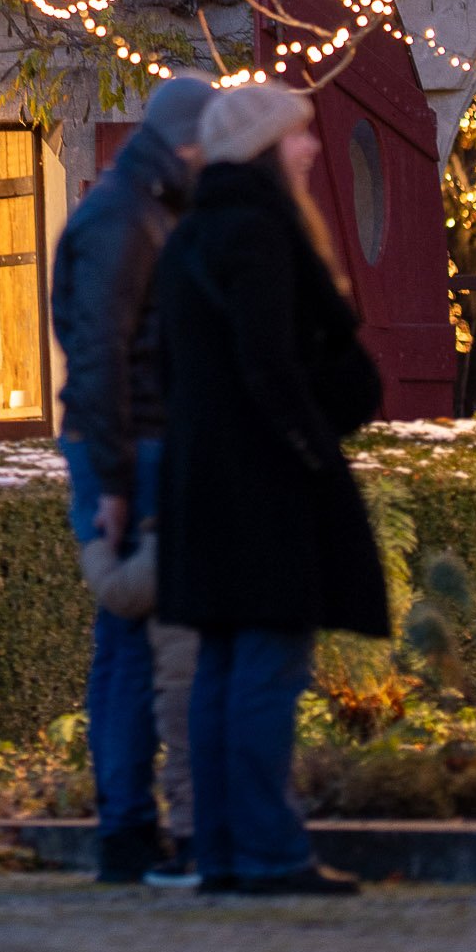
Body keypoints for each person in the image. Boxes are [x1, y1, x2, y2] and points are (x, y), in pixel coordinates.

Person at [154, 78, 389, 899]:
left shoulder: (192, 236)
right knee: (264, 666)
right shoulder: (258, 232)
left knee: (225, 664)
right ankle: (266, 851)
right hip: (263, 484)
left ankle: (225, 849)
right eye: (296, 134)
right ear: (261, 145)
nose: (313, 147)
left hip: (209, 481)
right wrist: (311, 448)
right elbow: (270, 363)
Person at [50, 75, 211, 880]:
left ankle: (127, 825)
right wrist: (114, 478)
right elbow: (100, 353)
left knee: (129, 642)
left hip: (127, 442)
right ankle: (126, 827)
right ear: (190, 142)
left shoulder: (136, 201)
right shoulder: (128, 214)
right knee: (131, 641)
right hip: (128, 447)